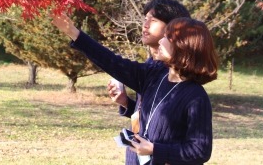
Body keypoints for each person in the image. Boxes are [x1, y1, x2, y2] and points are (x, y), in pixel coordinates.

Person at [52, 15, 219, 165]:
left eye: (168, 37)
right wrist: (73, 32)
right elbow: (112, 62)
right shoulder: (153, 75)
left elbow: (200, 151)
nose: (161, 40)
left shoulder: (196, 97)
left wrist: (155, 150)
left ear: (183, 46)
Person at [106, 0, 190, 164]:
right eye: (145, 19)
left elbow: (196, 145)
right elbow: (152, 115)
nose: (145, 25)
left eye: (153, 20)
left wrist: (74, 33)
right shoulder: (150, 64)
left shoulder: (174, 74)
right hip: (136, 157)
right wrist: (125, 103)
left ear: (173, 29)